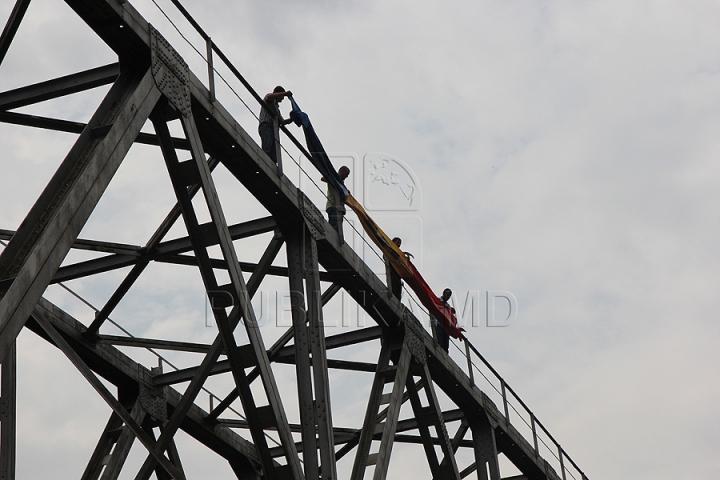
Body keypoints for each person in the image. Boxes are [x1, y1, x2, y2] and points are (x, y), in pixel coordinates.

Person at [258, 86, 293, 163]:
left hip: (273, 130)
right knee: (267, 147)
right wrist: (285, 93)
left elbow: (282, 121)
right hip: (266, 125)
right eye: (282, 96)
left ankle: (272, 163)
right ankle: (265, 162)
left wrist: (292, 119)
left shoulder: (276, 108)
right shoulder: (269, 98)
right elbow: (269, 97)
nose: (282, 99)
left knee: (274, 153)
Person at [322, 166, 350, 241]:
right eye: (346, 174)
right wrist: (332, 180)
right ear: (341, 171)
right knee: (334, 227)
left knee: (338, 229)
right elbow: (323, 178)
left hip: (339, 208)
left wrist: (345, 191)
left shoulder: (341, 184)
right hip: (333, 205)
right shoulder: (334, 178)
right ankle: (331, 239)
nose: (346, 176)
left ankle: (336, 241)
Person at [432, 288, 455, 353]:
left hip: (445, 327)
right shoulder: (437, 300)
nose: (448, 297)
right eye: (447, 295)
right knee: (439, 342)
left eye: (449, 296)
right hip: (438, 324)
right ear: (444, 293)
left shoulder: (447, 305)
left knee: (445, 346)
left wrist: (451, 311)